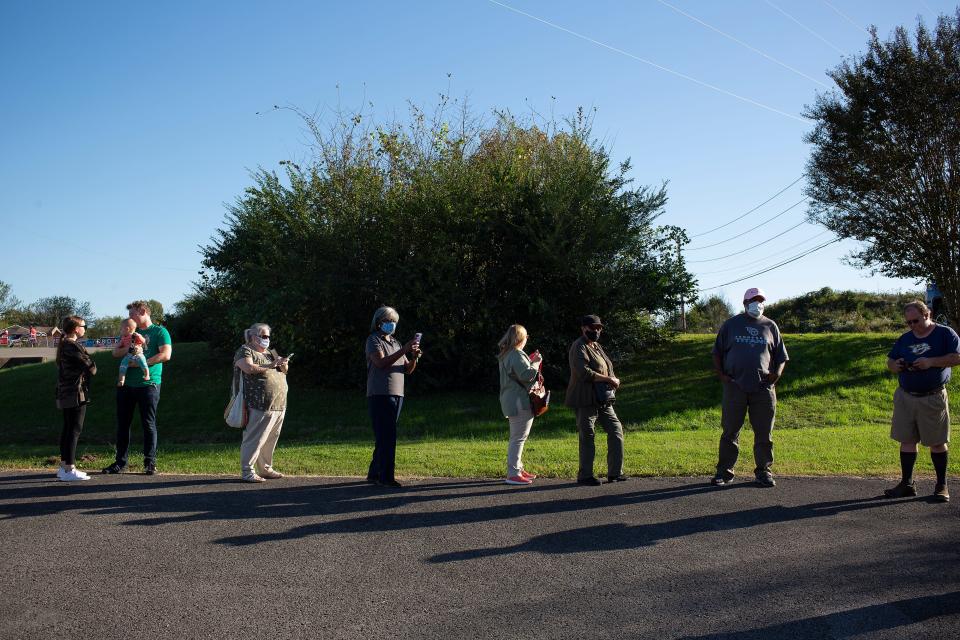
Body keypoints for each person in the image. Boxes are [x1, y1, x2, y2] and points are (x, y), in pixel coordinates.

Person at [883, 300, 960, 502]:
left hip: (932, 397)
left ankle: (941, 485)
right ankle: (907, 483)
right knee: (906, 440)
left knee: (937, 442)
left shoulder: (945, 334)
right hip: (906, 396)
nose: (912, 326)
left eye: (915, 320)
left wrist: (930, 362)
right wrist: (896, 365)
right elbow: (890, 361)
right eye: (908, 322)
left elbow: (956, 357)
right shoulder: (905, 338)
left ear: (927, 314)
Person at [711, 287, 788, 487]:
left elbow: (781, 357)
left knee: (764, 433)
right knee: (730, 432)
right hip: (735, 386)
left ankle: (764, 471)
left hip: (763, 389)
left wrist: (777, 374)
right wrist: (722, 375)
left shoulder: (770, 326)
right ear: (745, 303)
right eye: (754, 300)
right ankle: (724, 472)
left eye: (761, 300)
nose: (758, 303)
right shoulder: (731, 325)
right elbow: (717, 353)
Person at [102, 300, 172, 476]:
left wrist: (143, 364)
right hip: (126, 385)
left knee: (148, 423)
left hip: (149, 383)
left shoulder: (159, 331)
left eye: (132, 314)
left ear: (143, 311)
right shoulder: (130, 331)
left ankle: (150, 462)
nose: (129, 318)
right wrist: (128, 351)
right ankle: (120, 462)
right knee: (123, 424)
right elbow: (115, 353)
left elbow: (166, 354)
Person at [565, 314, 626, 486]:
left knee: (616, 431)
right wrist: (608, 380)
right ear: (583, 329)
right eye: (593, 328)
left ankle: (615, 472)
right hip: (585, 398)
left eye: (599, 328)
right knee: (588, 436)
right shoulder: (579, 346)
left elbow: (607, 367)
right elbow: (584, 372)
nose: (596, 330)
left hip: (603, 399)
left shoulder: (597, 346)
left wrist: (613, 378)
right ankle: (585, 475)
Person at [365, 306, 421, 487]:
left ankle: (374, 473)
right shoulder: (373, 340)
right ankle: (386, 477)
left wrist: (414, 357)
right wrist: (404, 349)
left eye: (394, 322)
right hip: (380, 393)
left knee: (385, 435)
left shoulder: (395, 342)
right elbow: (380, 363)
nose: (392, 325)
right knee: (387, 436)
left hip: (397, 393)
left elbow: (407, 369)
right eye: (388, 321)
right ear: (379, 322)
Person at [234, 323, 290, 482]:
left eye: (268, 336)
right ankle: (247, 471)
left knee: (271, 438)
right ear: (253, 337)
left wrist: (283, 364)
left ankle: (265, 469)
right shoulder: (245, 350)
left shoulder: (271, 353)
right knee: (255, 438)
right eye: (264, 336)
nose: (267, 339)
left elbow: (283, 371)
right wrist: (271, 365)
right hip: (259, 403)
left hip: (278, 404)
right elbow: (248, 368)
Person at [497, 324, 543, 485]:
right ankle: (513, 473)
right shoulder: (516, 354)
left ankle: (518, 468)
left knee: (518, 437)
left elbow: (518, 372)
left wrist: (529, 361)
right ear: (520, 338)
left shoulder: (506, 353)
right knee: (518, 438)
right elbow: (527, 375)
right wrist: (536, 362)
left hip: (510, 398)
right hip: (519, 401)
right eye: (526, 336)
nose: (527, 339)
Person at [55, 316, 97, 482]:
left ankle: (64, 466)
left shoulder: (65, 345)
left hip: (67, 392)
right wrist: (92, 364)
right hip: (74, 393)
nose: (85, 328)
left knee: (68, 429)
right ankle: (69, 468)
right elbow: (91, 367)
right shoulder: (72, 346)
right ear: (75, 328)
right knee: (74, 430)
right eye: (83, 326)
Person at [116, 318, 149, 386]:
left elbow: (144, 341)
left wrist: (139, 336)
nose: (120, 331)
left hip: (138, 354)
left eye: (121, 329)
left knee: (143, 362)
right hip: (128, 355)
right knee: (122, 365)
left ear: (127, 329)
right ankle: (121, 380)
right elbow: (118, 346)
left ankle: (147, 375)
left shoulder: (135, 335)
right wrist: (117, 346)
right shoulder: (123, 338)